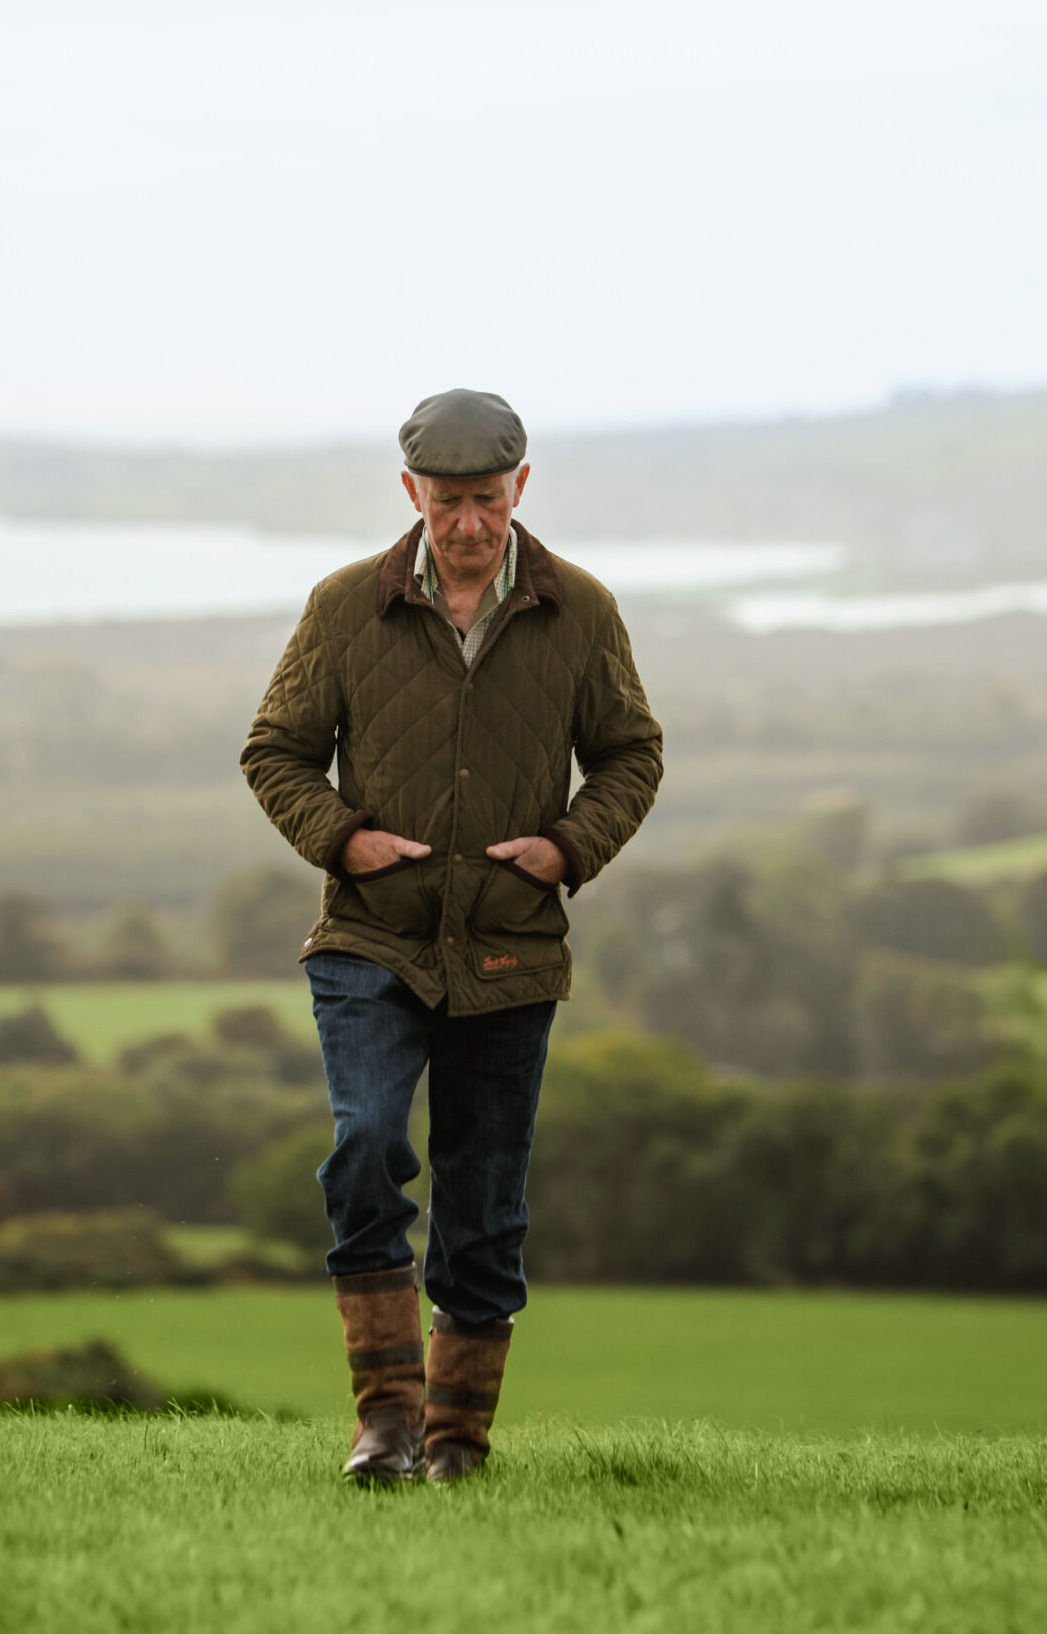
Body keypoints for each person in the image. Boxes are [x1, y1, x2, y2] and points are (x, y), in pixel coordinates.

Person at [240, 388, 664, 1483]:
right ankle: (384, 1422)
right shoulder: (345, 607)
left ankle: (456, 1443)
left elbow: (630, 756)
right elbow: (274, 750)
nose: (467, 524)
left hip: (512, 950)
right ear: (410, 494)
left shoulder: (582, 612)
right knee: (367, 1145)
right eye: (445, 503)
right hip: (369, 937)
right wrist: (342, 840)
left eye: (485, 500)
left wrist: (570, 849)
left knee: (484, 1201)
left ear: (520, 489)